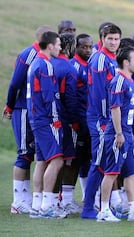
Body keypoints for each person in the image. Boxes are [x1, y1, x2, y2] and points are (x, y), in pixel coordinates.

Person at [97, 47, 134, 222]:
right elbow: (115, 109)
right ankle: (104, 211)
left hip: (128, 133)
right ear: (126, 62)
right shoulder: (119, 81)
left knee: (130, 172)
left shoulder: (130, 80)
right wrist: (119, 133)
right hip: (118, 134)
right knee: (111, 172)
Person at [3, 25, 54, 214]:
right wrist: (9, 105)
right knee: (24, 153)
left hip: (34, 111)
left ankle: (29, 198)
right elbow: (15, 83)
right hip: (24, 108)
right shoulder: (30, 54)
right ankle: (19, 200)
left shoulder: (43, 56)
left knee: (36, 153)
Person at [81, 23, 122, 219]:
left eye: (116, 39)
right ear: (102, 39)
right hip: (100, 118)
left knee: (106, 163)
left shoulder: (114, 59)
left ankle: (102, 205)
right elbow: (99, 94)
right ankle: (88, 207)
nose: (113, 42)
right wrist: (106, 120)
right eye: (110, 39)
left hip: (108, 118)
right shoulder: (99, 60)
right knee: (98, 162)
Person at [26, 31, 66, 218]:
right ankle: (47, 206)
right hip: (46, 119)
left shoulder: (34, 63)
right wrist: (55, 119)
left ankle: (37, 204)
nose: (60, 47)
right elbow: (48, 97)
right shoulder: (46, 65)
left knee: (42, 161)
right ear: (50, 46)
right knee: (57, 160)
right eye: (58, 44)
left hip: (36, 118)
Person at [50, 32, 79, 214]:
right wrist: (75, 121)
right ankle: (58, 201)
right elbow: (70, 98)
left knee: (47, 160)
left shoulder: (46, 63)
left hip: (44, 118)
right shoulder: (68, 68)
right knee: (62, 161)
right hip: (63, 121)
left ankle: (45, 201)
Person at [69, 33, 93, 203]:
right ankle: (66, 198)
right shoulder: (73, 66)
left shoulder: (91, 64)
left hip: (90, 119)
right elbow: (71, 97)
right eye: (84, 46)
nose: (87, 50)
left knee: (88, 158)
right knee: (75, 159)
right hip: (78, 120)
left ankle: (87, 196)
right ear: (76, 47)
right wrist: (75, 121)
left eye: (90, 47)